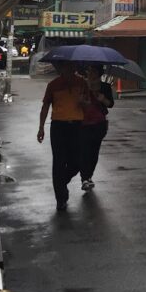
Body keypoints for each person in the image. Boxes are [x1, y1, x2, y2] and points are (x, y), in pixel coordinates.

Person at [37, 62, 88, 211]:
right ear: (61, 69)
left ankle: (61, 182)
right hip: (59, 127)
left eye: (72, 67)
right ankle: (61, 199)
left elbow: (87, 104)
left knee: (77, 162)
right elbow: (45, 106)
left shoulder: (81, 83)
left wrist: (82, 102)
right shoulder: (53, 85)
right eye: (66, 67)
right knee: (58, 162)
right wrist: (41, 127)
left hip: (77, 126)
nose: (70, 70)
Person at [79, 65, 114, 192]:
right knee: (84, 151)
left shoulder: (105, 87)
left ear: (99, 74)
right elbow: (76, 103)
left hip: (99, 124)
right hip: (83, 123)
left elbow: (110, 104)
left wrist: (102, 99)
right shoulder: (82, 85)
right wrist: (82, 102)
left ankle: (89, 176)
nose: (91, 74)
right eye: (89, 71)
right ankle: (84, 178)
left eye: (93, 71)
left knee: (94, 152)